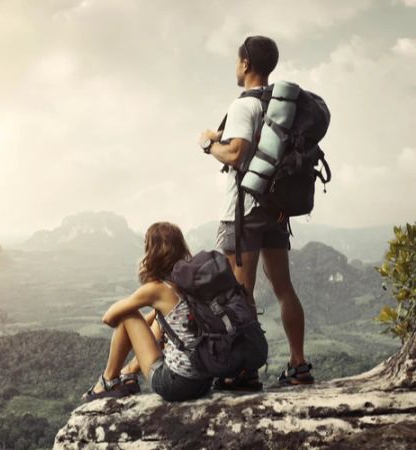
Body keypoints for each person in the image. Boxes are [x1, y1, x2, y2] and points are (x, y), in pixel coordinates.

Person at [197, 35, 314, 387]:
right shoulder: (281, 107)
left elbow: (235, 154)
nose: (235, 66)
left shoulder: (244, 105)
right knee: (283, 288)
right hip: (276, 208)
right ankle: (299, 365)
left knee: (240, 293)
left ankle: (244, 370)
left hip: (244, 210)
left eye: (237, 60)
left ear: (246, 63)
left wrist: (208, 144)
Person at [82, 222, 213, 402]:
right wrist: (153, 316)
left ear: (153, 251)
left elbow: (109, 318)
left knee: (128, 315)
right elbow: (165, 319)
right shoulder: (189, 283)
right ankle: (128, 374)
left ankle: (108, 381)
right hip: (204, 381)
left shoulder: (157, 289)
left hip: (176, 385)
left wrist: (133, 314)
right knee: (158, 319)